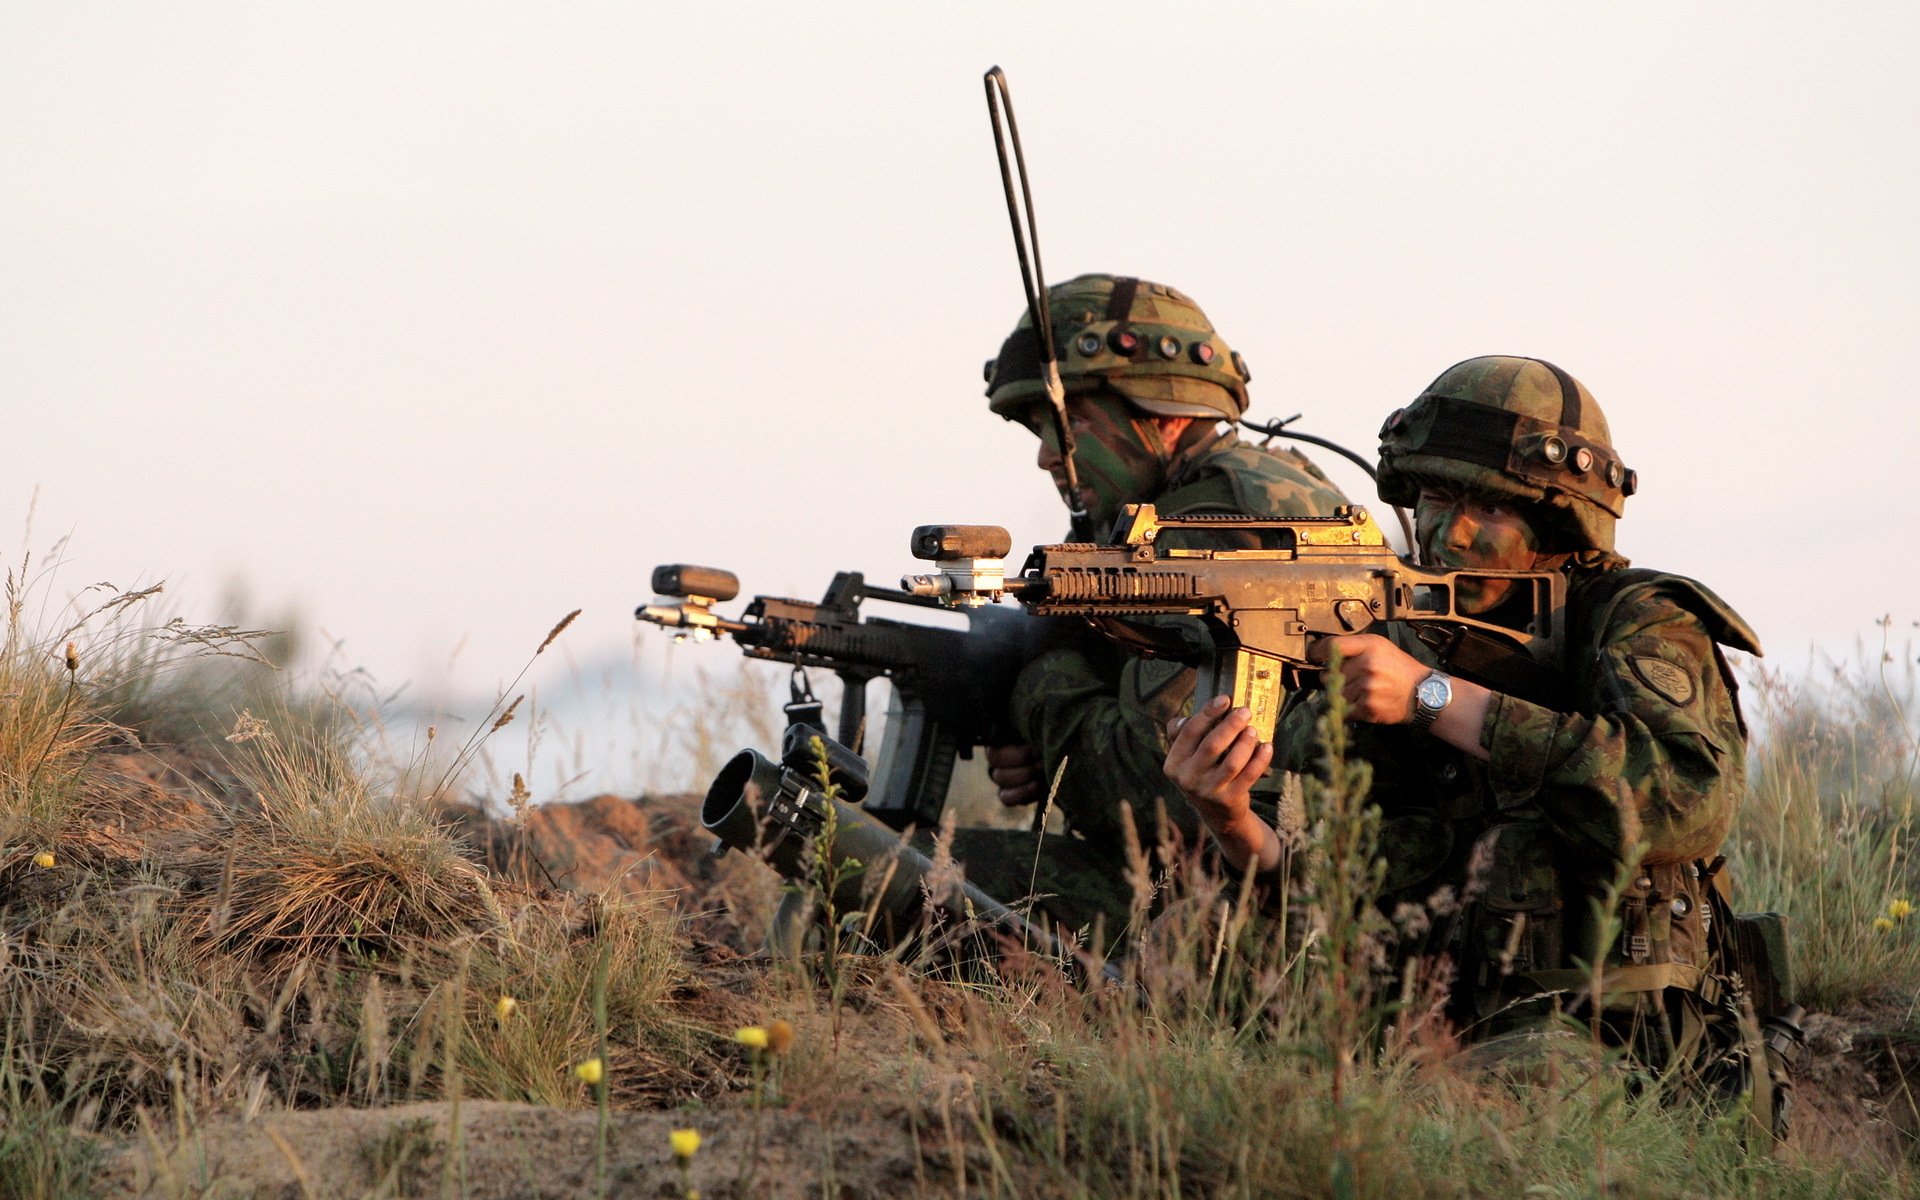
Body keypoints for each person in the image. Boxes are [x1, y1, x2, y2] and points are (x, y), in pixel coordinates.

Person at [1163, 355, 1795, 1116]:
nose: (1449, 531)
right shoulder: (1392, 634)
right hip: (1420, 1024)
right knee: (1183, 947)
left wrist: (1433, 699)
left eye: (1487, 509)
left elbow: (1687, 800)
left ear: (1558, 519)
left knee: (1458, 1108)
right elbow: (1322, 881)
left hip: (1608, 1042)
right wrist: (1232, 819)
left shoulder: (1632, 620)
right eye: (1434, 495)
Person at [953, 273, 1347, 936]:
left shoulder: (1206, 531)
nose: (1049, 458)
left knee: (922, 877)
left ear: (1162, 415)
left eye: (1071, 426)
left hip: (1284, 909)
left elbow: (1158, 797)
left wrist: (1043, 683)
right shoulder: (1248, 490)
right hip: (1273, 883)